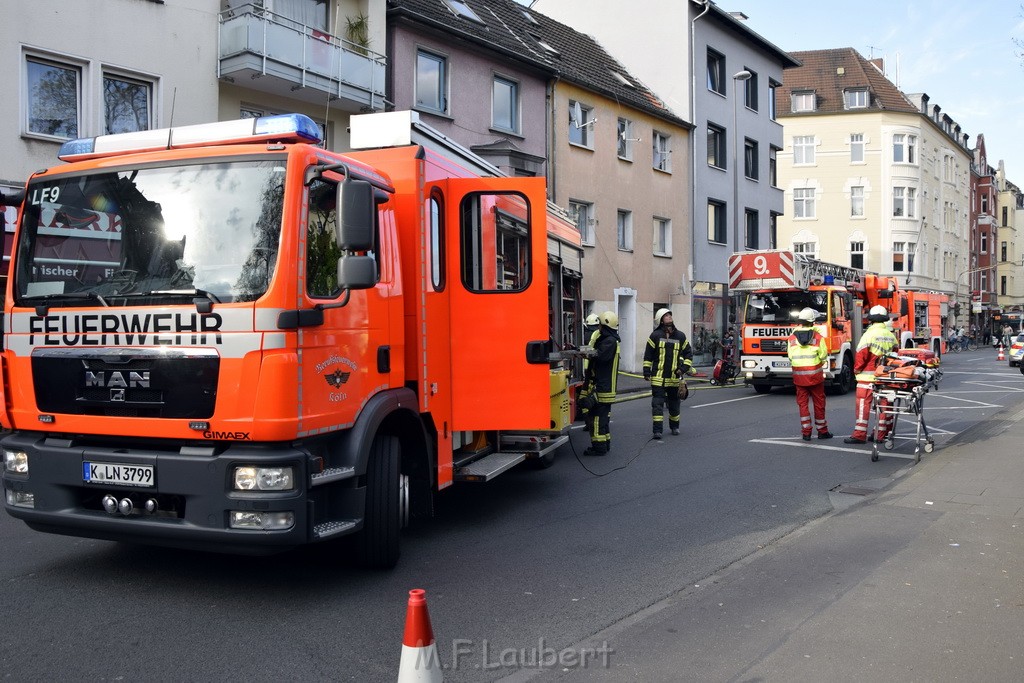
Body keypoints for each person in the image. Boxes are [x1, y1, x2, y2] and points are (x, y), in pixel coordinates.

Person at [844, 305, 899, 444]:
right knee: (884, 405)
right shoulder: (891, 336)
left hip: (867, 378)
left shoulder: (868, 334)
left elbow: (861, 356)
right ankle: (880, 434)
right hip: (884, 378)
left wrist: (856, 370)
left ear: (871, 319)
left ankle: (859, 435)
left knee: (863, 405)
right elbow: (895, 356)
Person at [642, 308, 694, 439]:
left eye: (670, 314)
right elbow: (648, 355)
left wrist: (683, 369)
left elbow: (688, 354)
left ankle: (675, 427)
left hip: (674, 378)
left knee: (674, 404)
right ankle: (657, 431)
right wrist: (646, 372)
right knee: (657, 405)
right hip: (658, 378)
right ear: (661, 320)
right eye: (666, 315)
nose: (669, 316)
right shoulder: (655, 336)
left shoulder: (680, 336)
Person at [787, 308, 833, 441]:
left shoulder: (792, 338)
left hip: (799, 377)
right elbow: (823, 355)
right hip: (815, 376)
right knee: (819, 403)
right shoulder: (818, 337)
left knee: (802, 404)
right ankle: (822, 431)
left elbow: (790, 356)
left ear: (800, 321)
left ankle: (806, 432)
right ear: (813, 322)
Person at [583, 311, 620, 456]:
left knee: (597, 418)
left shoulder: (609, 341)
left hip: (604, 387)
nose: (598, 328)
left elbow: (601, 357)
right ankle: (605, 444)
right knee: (603, 418)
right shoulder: (610, 340)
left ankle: (599, 448)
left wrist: (587, 353)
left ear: (605, 326)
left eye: (600, 326)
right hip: (605, 386)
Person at [577, 313, 602, 430]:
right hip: (594, 372)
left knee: (584, 398)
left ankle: (588, 422)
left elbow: (582, 349)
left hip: (584, 371)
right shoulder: (598, 335)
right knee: (596, 399)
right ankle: (596, 422)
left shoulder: (584, 335)